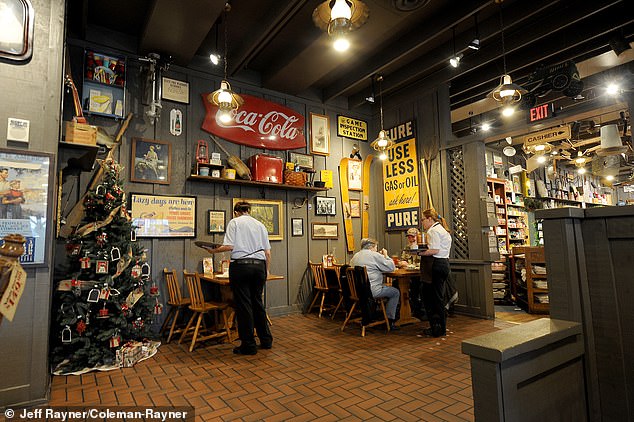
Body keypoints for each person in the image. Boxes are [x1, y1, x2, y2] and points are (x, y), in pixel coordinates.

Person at [202, 201, 273, 355]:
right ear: (249, 210)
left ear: (236, 212)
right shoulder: (260, 225)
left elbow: (229, 246)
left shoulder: (234, 222)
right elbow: (267, 252)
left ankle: (249, 345)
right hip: (259, 266)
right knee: (257, 302)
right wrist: (266, 270)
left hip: (241, 266)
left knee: (244, 305)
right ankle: (266, 340)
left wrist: (213, 251)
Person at [350, 238, 401, 331]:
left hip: (357, 292)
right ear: (372, 247)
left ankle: (377, 315)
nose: (377, 249)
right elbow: (391, 267)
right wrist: (386, 255)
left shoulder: (355, 256)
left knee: (386, 288)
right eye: (376, 247)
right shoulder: (374, 255)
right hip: (371, 291)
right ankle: (390, 321)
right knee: (395, 292)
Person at [417, 208, 452, 337]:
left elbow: (434, 250)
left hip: (436, 264)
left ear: (429, 219)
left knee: (432, 298)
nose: (422, 223)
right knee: (437, 297)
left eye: (423, 220)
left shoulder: (433, 231)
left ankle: (437, 328)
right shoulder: (442, 229)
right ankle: (440, 327)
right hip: (444, 264)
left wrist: (419, 252)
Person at [401, 228, 425, 320]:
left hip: (420, 275)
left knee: (418, 287)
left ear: (418, 237)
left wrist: (412, 265)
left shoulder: (423, 248)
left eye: (413, 237)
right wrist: (402, 263)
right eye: (409, 237)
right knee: (399, 285)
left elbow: (423, 263)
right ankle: (409, 310)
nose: (411, 239)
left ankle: (420, 311)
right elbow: (402, 260)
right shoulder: (407, 248)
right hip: (409, 274)